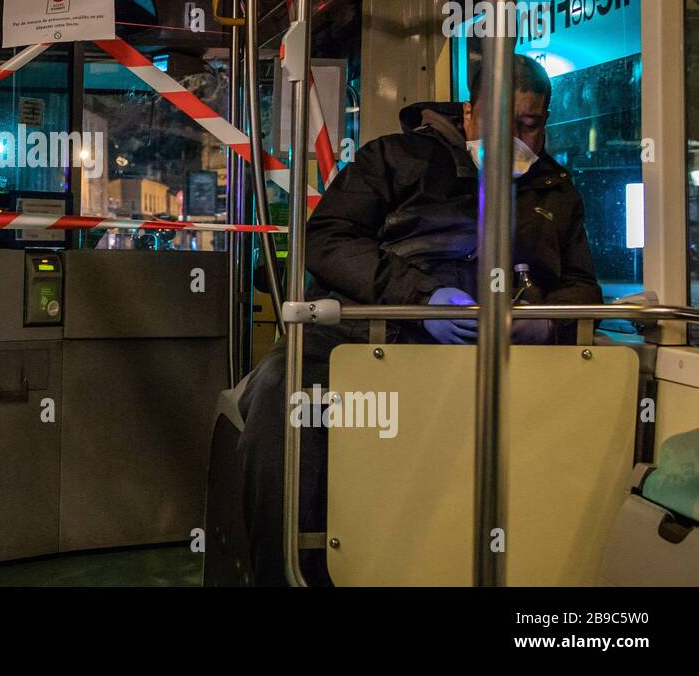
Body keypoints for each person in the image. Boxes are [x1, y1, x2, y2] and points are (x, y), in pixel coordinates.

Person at [237, 54, 601, 585]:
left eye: (531, 125)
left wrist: (542, 323)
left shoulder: (555, 191)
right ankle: (291, 571)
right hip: (374, 329)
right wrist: (422, 298)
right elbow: (327, 240)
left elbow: (583, 287)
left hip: (507, 349)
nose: (517, 139)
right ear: (470, 113)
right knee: (286, 386)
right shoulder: (393, 159)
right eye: (503, 124)